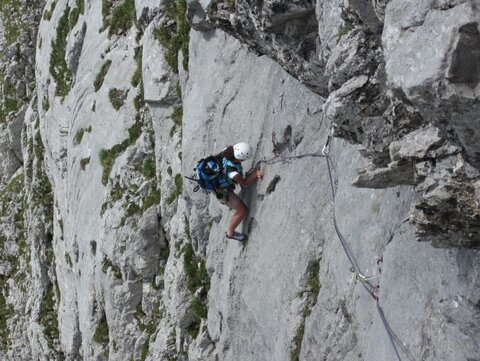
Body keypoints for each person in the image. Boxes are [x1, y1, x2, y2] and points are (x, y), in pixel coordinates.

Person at [215, 142, 264, 241]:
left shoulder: (227, 151)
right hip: (222, 191)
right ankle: (230, 232)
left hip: (220, 181)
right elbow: (245, 183)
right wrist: (255, 174)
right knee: (243, 211)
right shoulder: (233, 173)